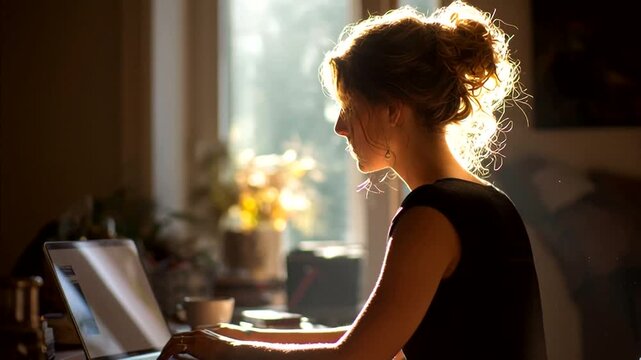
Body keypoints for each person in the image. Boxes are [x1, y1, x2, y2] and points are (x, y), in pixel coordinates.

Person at [159, 1, 547, 359]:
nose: (340, 126)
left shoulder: (432, 215)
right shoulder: (488, 201)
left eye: (350, 107)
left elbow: (354, 357)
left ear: (393, 109)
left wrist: (225, 354)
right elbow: (372, 336)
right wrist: (241, 335)